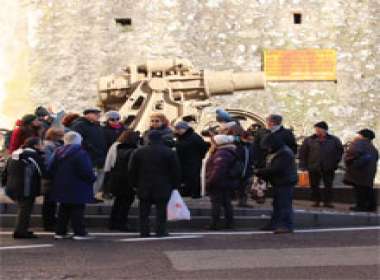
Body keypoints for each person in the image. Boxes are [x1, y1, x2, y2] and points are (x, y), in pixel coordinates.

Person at [128, 130, 181, 238]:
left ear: (149, 139)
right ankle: (160, 231)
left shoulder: (139, 152)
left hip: (144, 184)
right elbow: (175, 170)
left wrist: (134, 184)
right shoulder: (169, 152)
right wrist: (175, 185)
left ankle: (144, 231)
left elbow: (132, 170)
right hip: (163, 185)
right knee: (161, 210)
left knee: (144, 210)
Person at [49, 131, 96, 240]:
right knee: (78, 209)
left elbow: (50, 167)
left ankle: (60, 232)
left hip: (61, 185)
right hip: (78, 185)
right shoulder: (81, 153)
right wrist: (93, 178)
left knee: (63, 209)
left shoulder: (58, 152)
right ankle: (79, 232)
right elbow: (86, 170)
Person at [255, 134, 298, 234]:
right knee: (278, 204)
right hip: (280, 181)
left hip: (285, 182)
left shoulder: (284, 153)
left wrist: (261, 171)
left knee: (284, 205)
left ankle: (286, 225)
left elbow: (277, 168)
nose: (268, 149)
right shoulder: (281, 151)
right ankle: (275, 223)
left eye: (268, 146)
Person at [4, 137, 44, 238]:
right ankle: (20, 231)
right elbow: (42, 172)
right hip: (26, 188)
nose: (42, 146)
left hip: (12, 186)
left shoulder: (14, 154)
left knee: (22, 209)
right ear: (35, 146)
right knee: (25, 210)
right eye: (40, 144)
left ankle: (21, 229)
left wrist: (5, 184)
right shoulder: (33, 156)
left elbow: (5, 171)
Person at [299, 122, 343, 208]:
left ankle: (328, 202)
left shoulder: (334, 140)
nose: (317, 130)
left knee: (328, 185)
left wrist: (335, 162)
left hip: (329, 166)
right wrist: (303, 165)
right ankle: (316, 201)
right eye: (316, 129)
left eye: (318, 128)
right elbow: (303, 153)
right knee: (314, 185)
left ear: (324, 130)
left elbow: (339, 152)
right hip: (313, 166)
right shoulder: (309, 140)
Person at [104, 130, 139, 231]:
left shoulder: (116, 146)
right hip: (128, 180)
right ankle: (121, 223)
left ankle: (113, 223)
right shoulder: (133, 150)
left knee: (118, 202)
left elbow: (109, 162)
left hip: (116, 177)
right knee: (126, 203)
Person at [70, 108, 106, 201]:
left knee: (99, 177)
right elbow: (78, 141)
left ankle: (91, 195)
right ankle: (87, 195)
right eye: (95, 114)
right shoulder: (79, 125)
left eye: (98, 114)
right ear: (87, 114)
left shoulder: (97, 126)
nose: (98, 116)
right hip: (89, 156)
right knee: (90, 177)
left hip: (99, 157)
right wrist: (92, 149)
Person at [206, 135, 240, 230]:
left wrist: (210, 182)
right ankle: (230, 223)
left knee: (216, 203)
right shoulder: (229, 151)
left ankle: (214, 224)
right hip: (226, 182)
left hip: (219, 182)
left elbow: (218, 170)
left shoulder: (221, 153)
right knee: (226, 203)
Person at [343, 129, 378, 212]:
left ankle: (360, 206)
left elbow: (351, 153)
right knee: (367, 188)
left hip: (358, 170)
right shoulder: (372, 147)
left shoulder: (358, 143)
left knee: (359, 189)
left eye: (359, 135)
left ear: (362, 136)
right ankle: (371, 207)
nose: (357, 136)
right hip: (369, 171)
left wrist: (348, 161)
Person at [174, 121, 209, 198]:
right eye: (177, 129)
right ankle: (187, 192)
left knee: (194, 177)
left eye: (179, 129)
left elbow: (203, 147)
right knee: (185, 177)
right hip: (183, 160)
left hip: (193, 160)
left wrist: (199, 156)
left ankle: (195, 193)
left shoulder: (194, 137)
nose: (178, 130)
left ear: (185, 129)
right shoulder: (180, 137)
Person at [41, 127, 65, 231]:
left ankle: (51, 221)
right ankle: (48, 223)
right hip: (50, 177)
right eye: (60, 135)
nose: (61, 137)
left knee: (51, 200)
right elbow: (49, 162)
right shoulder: (49, 146)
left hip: (53, 176)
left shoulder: (55, 145)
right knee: (49, 201)